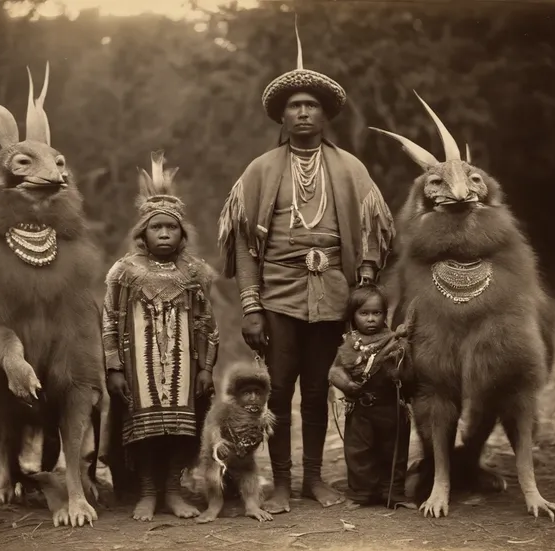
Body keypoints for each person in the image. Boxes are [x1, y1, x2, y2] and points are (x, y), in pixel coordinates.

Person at [216, 17, 395, 514]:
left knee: (318, 390)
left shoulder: (351, 169)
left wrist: (364, 281)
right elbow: (246, 248)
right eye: (294, 106)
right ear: (281, 115)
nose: (302, 114)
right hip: (277, 295)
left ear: (325, 115)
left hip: (334, 294)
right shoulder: (259, 171)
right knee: (277, 392)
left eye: (311, 106)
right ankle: (279, 484)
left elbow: (374, 232)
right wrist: (251, 307)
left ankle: (315, 480)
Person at [102, 150, 219, 521]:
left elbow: (206, 322)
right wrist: (114, 367)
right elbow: (109, 319)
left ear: (183, 233)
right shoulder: (123, 271)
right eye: (157, 227)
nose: (164, 233)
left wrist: (205, 367)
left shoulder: (196, 272)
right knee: (144, 430)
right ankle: (148, 492)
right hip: (139, 369)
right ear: (143, 233)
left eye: (171, 227)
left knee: (182, 431)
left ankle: (172, 489)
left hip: (183, 371)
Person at [328, 285, 412, 508]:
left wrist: (401, 366)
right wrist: (346, 384)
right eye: (364, 313)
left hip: (391, 407)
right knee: (359, 452)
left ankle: (393, 493)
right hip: (361, 408)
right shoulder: (350, 344)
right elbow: (335, 371)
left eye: (377, 313)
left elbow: (409, 371)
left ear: (385, 314)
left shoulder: (395, 341)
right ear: (353, 316)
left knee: (394, 451)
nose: (371, 319)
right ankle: (361, 493)